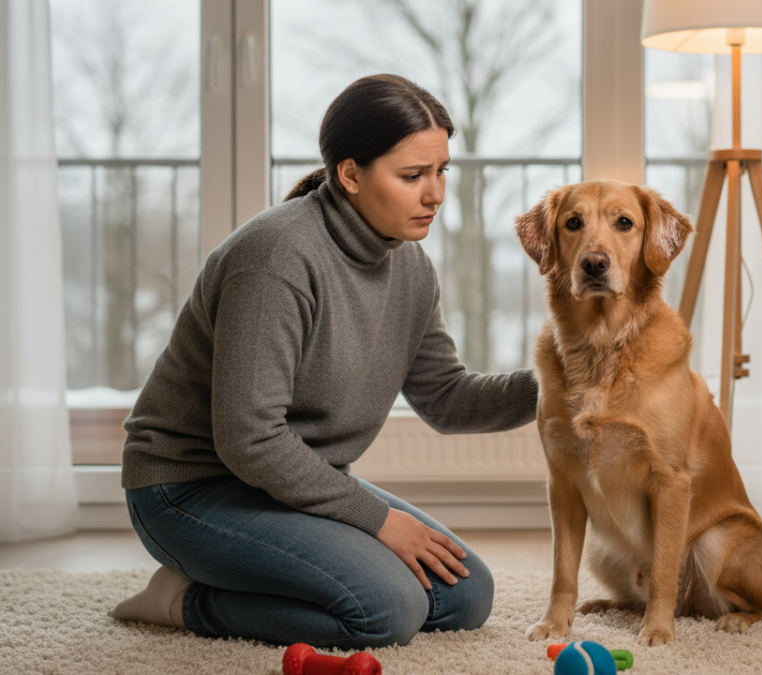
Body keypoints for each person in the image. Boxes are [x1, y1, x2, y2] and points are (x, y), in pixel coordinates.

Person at [110, 74, 538, 649]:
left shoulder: (410, 266)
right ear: (351, 175)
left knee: (464, 596)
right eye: (412, 175)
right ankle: (185, 600)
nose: (435, 194)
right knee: (387, 609)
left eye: (441, 171)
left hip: (286, 487)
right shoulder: (277, 258)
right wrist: (379, 520)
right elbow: (249, 438)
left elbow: (446, 398)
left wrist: (563, 381)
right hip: (188, 490)